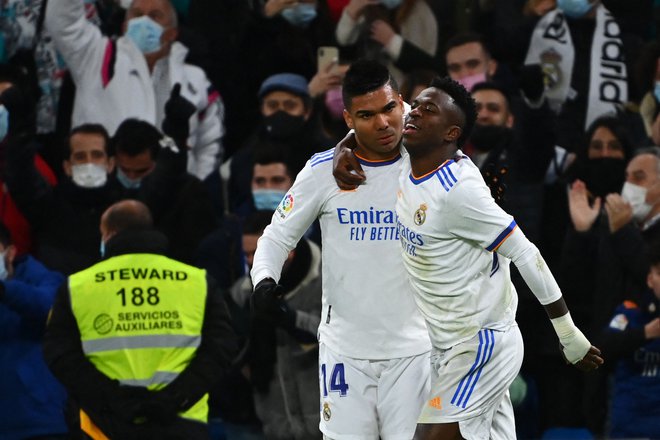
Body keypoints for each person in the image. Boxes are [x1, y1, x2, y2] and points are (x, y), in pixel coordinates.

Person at [333, 76, 603, 439]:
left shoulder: (460, 191)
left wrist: (568, 333)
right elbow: (369, 132)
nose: (413, 114)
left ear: (451, 133)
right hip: (445, 344)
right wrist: (344, 146)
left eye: (428, 111)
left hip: (482, 343)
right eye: (414, 105)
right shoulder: (407, 158)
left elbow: (526, 253)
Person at [251, 59, 431, 439]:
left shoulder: (434, 162)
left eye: (388, 109)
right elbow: (276, 237)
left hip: (415, 349)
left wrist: (345, 143)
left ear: (402, 103)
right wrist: (263, 281)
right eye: (366, 115)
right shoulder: (322, 173)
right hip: (345, 353)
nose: (382, 123)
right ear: (348, 118)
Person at [42, 199, 237, 439]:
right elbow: (221, 348)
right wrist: (175, 397)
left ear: (109, 234)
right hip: (182, 422)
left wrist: (115, 399)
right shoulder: (197, 281)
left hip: (105, 424)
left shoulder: (78, 286)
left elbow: (60, 354)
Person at [44, 0, 225, 181]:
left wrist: (195, 187)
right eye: (137, 15)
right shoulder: (96, 56)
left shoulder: (196, 81)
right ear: (124, 27)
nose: (144, 21)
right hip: (103, 193)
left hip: (170, 197)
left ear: (172, 33)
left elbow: (210, 145)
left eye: (155, 16)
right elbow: (62, 21)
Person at [231, 210, 322, 439]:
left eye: (257, 254)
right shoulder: (243, 293)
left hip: (327, 424)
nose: (252, 262)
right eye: (247, 255)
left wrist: (288, 317)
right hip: (275, 427)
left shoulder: (327, 279)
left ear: (287, 250)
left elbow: (333, 333)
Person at [112, 118, 218, 264]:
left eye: (141, 171)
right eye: (124, 170)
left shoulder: (190, 192)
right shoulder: (106, 189)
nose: (131, 177)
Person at [0, 221, 68, 439]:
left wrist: (4, 290)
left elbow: (49, 306)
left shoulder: (44, 279)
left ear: (10, 252)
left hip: (36, 419)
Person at [601, 240, 660, 439]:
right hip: (630, 425)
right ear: (650, 278)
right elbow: (603, 348)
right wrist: (645, 333)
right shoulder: (629, 313)